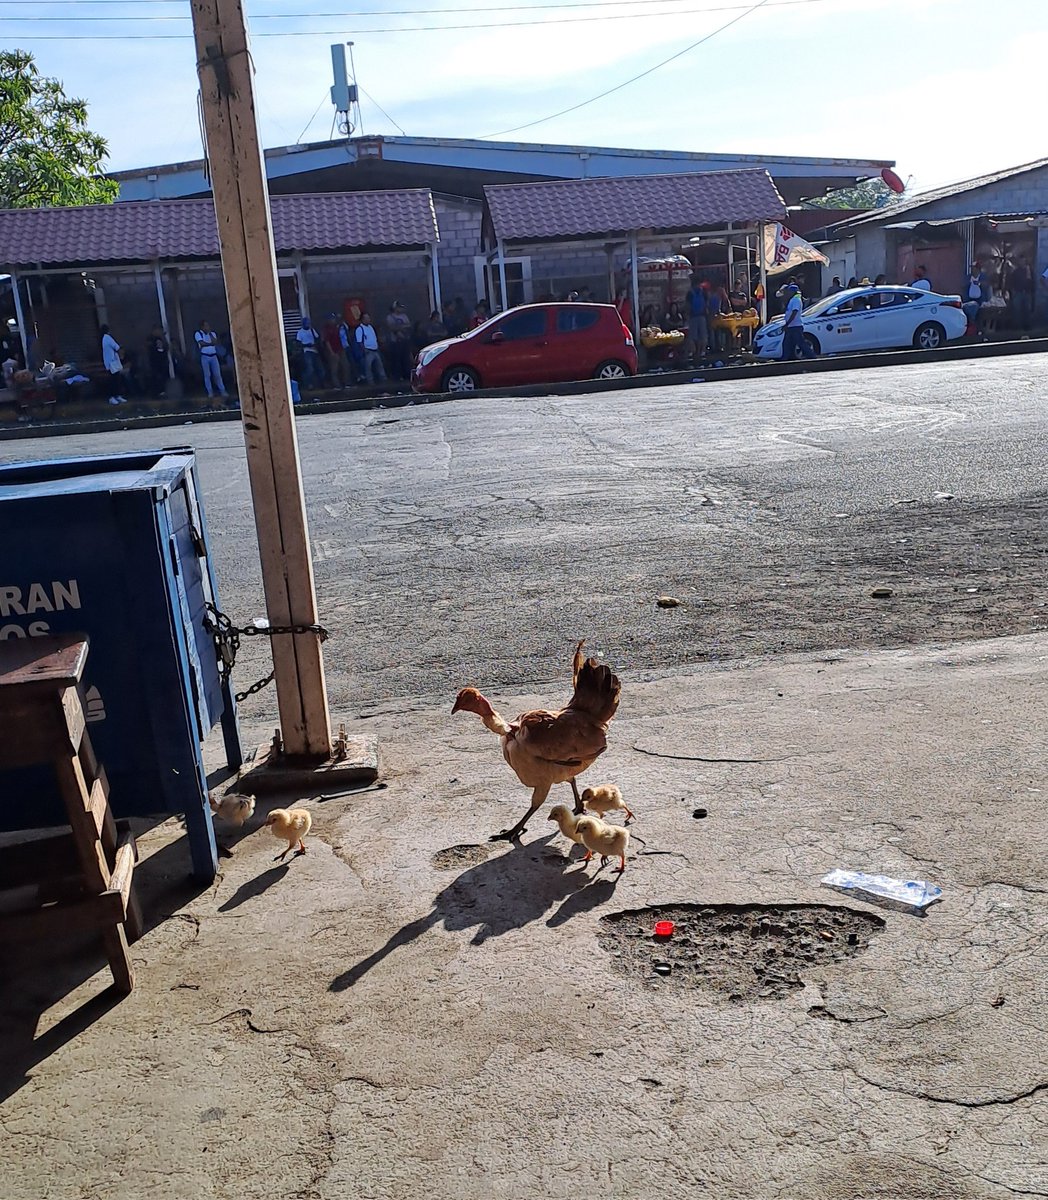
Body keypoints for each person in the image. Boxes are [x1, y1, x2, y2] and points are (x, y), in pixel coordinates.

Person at [780, 283, 815, 362]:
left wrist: (787, 323)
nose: (787, 293)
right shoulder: (793, 299)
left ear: (792, 292)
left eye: (789, 291)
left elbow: (794, 312)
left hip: (795, 326)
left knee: (800, 343)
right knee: (788, 343)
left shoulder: (795, 300)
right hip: (792, 326)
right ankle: (786, 358)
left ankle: (812, 356)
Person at [195, 320, 228, 400]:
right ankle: (210, 392)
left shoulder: (212, 334)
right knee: (207, 375)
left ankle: (222, 391)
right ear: (202, 327)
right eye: (205, 326)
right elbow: (201, 343)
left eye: (208, 325)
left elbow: (215, 342)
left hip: (213, 356)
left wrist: (209, 334)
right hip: (205, 356)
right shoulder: (198, 334)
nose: (207, 327)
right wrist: (210, 344)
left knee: (217, 374)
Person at [385, 301, 413, 380]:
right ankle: (397, 376)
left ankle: (407, 375)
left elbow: (409, 325)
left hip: (405, 340)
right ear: (395, 308)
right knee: (397, 359)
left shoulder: (404, 316)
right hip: (395, 342)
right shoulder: (390, 317)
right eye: (399, 307)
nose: (401, 309)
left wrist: (400, 327)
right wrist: (402, 327)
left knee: (406, 359)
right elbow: (392, 327)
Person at [355, 313, 386, 384]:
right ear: (362, 319)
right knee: (368, 367)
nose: (368, 319)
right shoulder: (360, 329)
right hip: (368, 350)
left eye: (368, 318)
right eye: (366, 318)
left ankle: (383, 379)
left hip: (375, 349)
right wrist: (364, 350)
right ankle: (370, 381)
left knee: (379, 365)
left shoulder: (370, 327)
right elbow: (359, 342)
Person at [683, 277, 708, 363]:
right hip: (702, 316)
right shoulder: (703, 292)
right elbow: (706, 303)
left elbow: (687, 305)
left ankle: (694, 352)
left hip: (693, 316)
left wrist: (687, 315)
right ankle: (702, 352)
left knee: (692, 336)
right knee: (703, 336)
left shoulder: (690, 293)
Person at [100, 324, 127, 404]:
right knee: (114, 380)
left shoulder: (103, 339)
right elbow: (117, 347)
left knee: (115, 379)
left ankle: (117, 396)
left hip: (109, 362)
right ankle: (113, 396)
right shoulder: (108, 338)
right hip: (112, 362)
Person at [295, 317, 323, 388]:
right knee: (310, 368)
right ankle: (309, 384)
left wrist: (317, 344)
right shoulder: (300, 332)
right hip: (307, 351)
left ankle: (321, 384)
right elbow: (298, 344)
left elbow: (317, 338)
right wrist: (307, 345)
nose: (308, 324)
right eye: (306, 323)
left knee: (320, 368)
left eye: (309, 323)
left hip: (315, 351)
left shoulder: (312, 330)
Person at [321, 314, 347, 388]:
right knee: (334, 369)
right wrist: (331, 352)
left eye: (334, 319)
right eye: (332, 319)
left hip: (340, 349)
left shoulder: (336, 327)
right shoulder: (326, 329)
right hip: (333, 351)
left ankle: (346, 383)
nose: (333, 320)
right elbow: (327, 341)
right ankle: (336, 385)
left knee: (345, 366)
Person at [1008, 257, 1034, 329]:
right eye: (1020, 261)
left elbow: (1032, 282)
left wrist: (1031, 291)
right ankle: (1017, 326)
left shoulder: (1029, 271)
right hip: (1018, 293)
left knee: (1027, 310)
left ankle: (1027, 326)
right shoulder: (1016, 271)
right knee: (1017, 310)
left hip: (1027, 293)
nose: (1022, 262)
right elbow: (1011, 282)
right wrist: (1013, 292)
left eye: (1023, 261)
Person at [146, 325, 169, 397]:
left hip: (162, 362)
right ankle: (157, 392)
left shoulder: (161, 338)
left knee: (162, 376)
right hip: (155, 362)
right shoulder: (150, 339)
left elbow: (165, 348)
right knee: (156, 377)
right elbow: (151, 349)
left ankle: (162, 391)